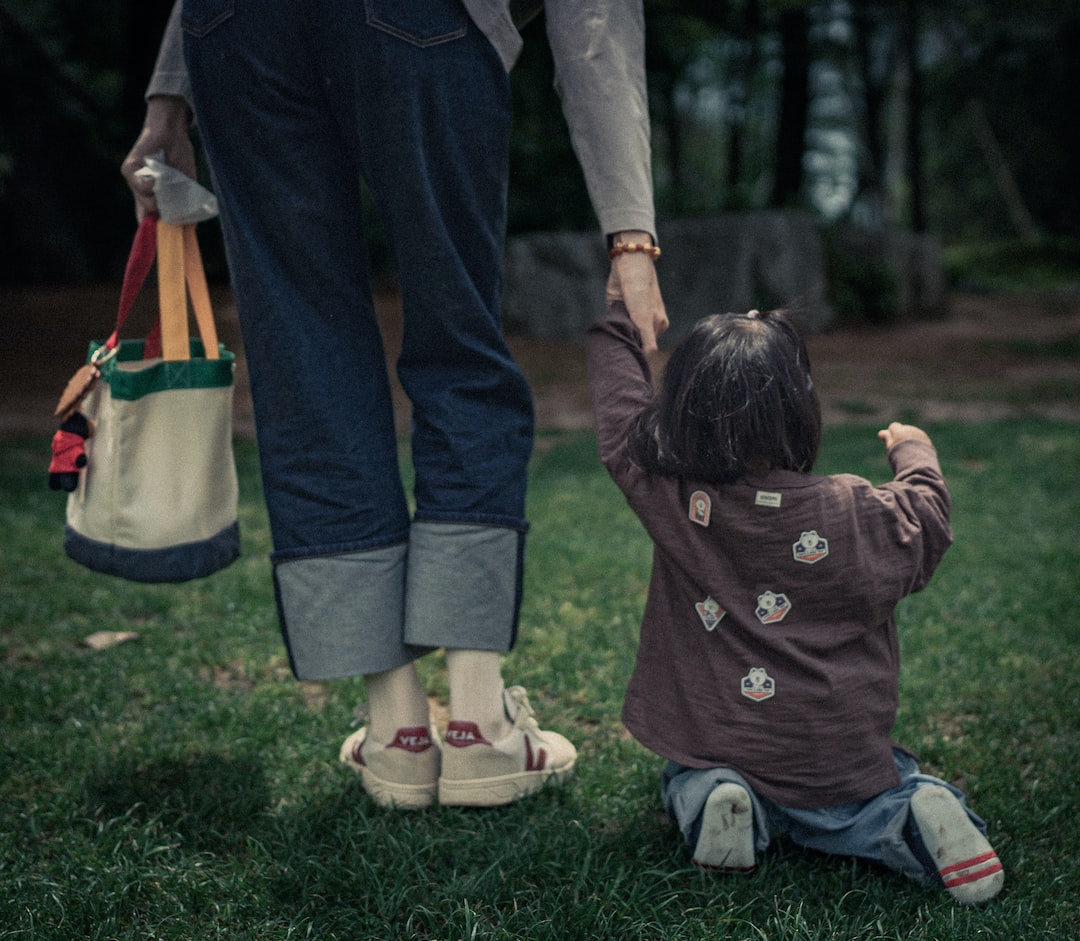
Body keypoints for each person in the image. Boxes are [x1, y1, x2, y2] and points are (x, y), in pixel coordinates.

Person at [121, 0, 668, 810]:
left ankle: (398, 735)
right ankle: (480, 729)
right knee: (458, 344)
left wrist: (168, 98)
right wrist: (630, 236)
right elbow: (594, 23)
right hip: (417, 21)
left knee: (306, 361)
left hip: (232, 28)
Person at [584, 291, 1004, 905]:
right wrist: (913, 452)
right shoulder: (855, 509)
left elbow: (620, 417)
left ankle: (721, 801)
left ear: (681, 411)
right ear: (797, 408)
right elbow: (928, 518)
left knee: (688, 777)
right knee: (861, 809)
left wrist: (622, 317)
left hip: (716, 734)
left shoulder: (673, 497)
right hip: (834, 756)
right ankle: (910, 815)